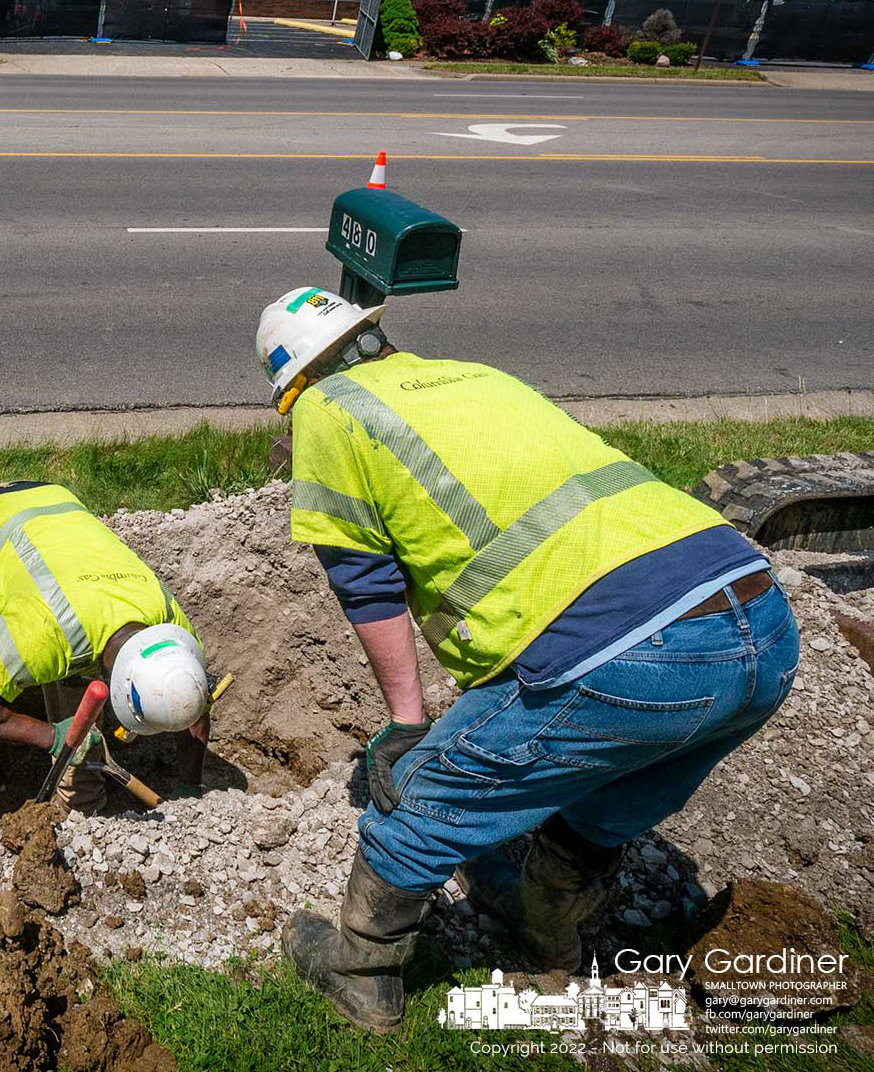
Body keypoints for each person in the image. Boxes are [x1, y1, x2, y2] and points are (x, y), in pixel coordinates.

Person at [254, 286, 798, 1033]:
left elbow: (364, 578)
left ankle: (360, 970)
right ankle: (549, 938)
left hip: (634, 648)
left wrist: (409, 722)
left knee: (421, 792)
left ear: (293, 385)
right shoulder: (473, 375)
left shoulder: (328, 407)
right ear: (375, 339)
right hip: (759, 621)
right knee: (605, 802)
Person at [0, 480, 213, 815]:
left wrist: (189, 786)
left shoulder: (172, 626)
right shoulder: (44, 631)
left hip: (57, 509)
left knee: (74, 676)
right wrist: (51, 736)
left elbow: (193, 699)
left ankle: (83, 814)